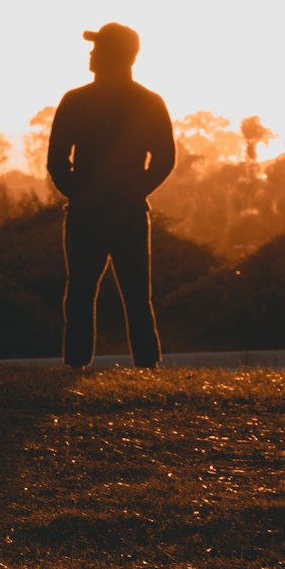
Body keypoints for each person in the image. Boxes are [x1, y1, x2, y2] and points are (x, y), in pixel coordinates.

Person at [47, 23, 176, 369]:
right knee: (134, 294)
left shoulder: (75, 101)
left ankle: (76, 363)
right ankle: (146, 364)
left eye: (98, 47)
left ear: (115, 54)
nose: (91, 53)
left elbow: (57, 161)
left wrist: (81, 194)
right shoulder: (149, 102)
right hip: (128, 211)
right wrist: (135, 190)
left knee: (81, 291)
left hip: (92, 213)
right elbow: (165, 159)